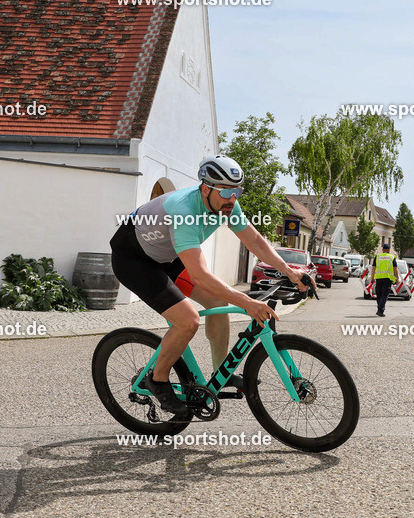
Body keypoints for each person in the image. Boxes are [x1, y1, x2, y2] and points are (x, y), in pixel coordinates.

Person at [109, 155, 309, 414]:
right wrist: (247, 302)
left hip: (167, 256)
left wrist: (290, 272)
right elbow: (200, 275)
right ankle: (157, 380)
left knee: (218, 301)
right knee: (188, 321)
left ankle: (221, 373)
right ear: (206, 188)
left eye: (237, 191)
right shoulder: (184, 211)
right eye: (226, 191)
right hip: (133, 259)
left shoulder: (226, 205)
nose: (232, 198)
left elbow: (256, 242)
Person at [373, 244, 398, 317]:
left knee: (379, 295)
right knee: (384, 295)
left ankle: (380, 309)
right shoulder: (392, 257)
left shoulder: (377, 256)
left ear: (383, 249)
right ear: (389, 250)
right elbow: (395, 269)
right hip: (387, 279)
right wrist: (397, 279)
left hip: (378, 278)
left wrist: (372, 278)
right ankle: (380, 310)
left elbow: (373, 268)